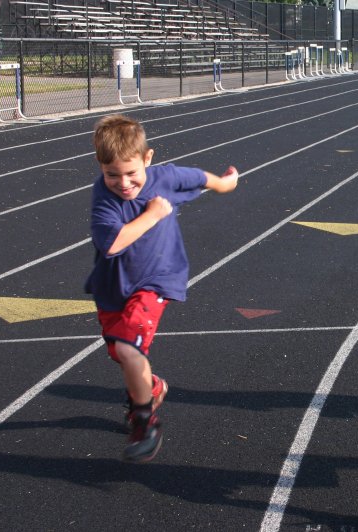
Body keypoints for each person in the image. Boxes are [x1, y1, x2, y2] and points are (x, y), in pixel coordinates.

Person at [85, 114, 239, 463]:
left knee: (128, 349)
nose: (123, 184)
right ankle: (152, 388)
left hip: (156, 280)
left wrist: (227, 183)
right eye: (112, 175)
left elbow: (201, 178)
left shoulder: (164, 177)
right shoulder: (104, 198)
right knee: (122, 355)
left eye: (131, 174)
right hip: (114, 285)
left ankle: (145, 422)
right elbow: (112, 244)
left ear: (147, 159)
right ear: (100, 167)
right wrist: (153, 215)